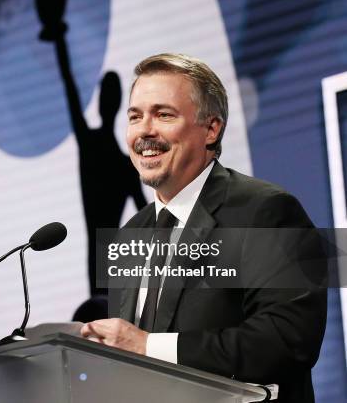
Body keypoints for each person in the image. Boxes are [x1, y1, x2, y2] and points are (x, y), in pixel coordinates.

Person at [80, 53, 326, 403]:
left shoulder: (264, 211)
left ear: (211, 129)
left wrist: (148, 346)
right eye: (135, 117)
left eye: (163, 114)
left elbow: (287, 341)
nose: (145, 131)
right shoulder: (128, 236)